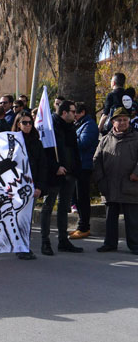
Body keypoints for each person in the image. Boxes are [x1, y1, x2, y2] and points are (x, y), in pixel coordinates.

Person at [92, 107, 138, 255]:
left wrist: (136, 173)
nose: (123, 122)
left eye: (125, 120)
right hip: (109, 185)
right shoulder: (105, 139)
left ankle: (135, 245)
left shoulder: (136, 138)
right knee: (110, 218)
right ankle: (110, 243)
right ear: (113, 122)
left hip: (130, 185)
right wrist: (100, 179)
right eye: (119, 120)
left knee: (132, 219)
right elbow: (96, 160)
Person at [40, 100, 83, 255]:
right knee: (48, 207)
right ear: (64, 112)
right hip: (54, 174)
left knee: (64, 208)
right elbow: (45, 153)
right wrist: (56, 167)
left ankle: (63, 240)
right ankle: (45, 242)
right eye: (73, 111)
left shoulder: (71, 127)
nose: (75, 114)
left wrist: (76, 169)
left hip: (70, 173)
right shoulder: (50, 128)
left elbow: (73, 150)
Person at [12, 111, 47, 259]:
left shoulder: (36, 142)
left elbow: (42, 165)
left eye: (30, 123)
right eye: (24, 123)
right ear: (18, 124)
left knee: (26, 218)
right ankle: (17, 245)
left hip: (30, 185)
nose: (27, 126)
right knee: (15, 217)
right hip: (14, 185)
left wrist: (39, 186)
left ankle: (23, 246)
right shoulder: (11, 141)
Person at [68, 102, 98, 239]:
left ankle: (84, 226)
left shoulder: (89, 125)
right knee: (77, 198)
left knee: (83, 198)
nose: (74, 116)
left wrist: (69, 138)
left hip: (84, 166)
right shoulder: (79, 125)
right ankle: (81, 225)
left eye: (76, 113)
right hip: (77, 166)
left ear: (82, 112)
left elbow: (83, 143)